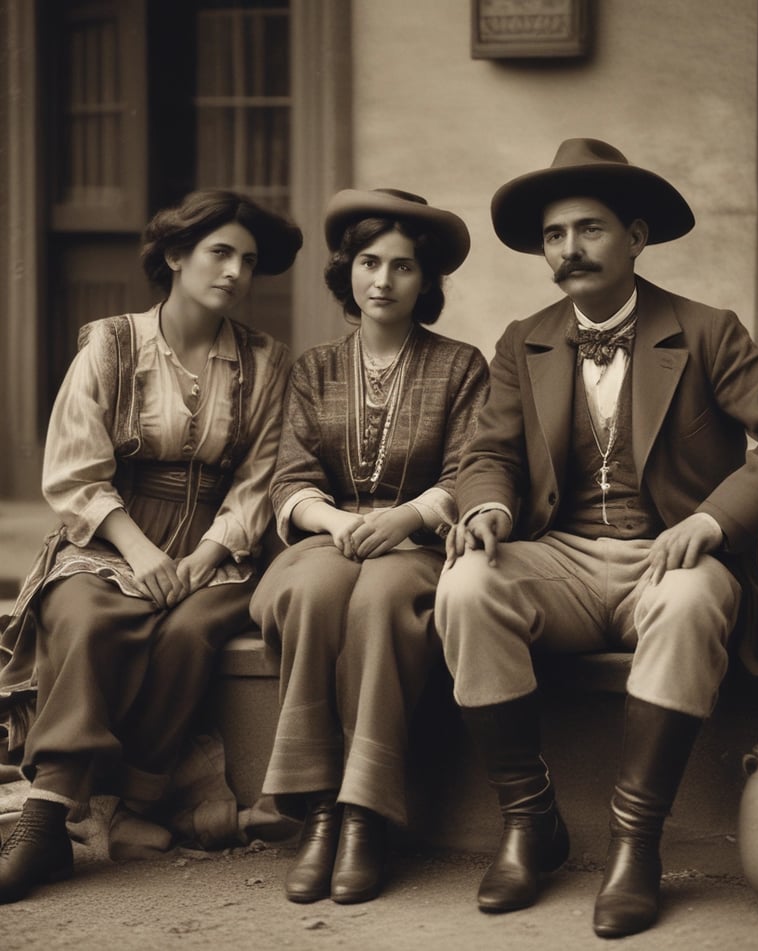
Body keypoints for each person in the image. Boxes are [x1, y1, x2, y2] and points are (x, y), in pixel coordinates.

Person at [435, 138, 758, 938]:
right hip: (565, 560)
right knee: (466, 584)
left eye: (589, 229)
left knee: (690, 601)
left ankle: (635, 844)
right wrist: (487, 509)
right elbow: (487, 453)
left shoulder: (707, 330)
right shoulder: (526, 338)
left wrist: (712, 518)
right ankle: (529, 821)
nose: (569, 250)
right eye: (555, 235)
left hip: (673, 557)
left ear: (637, 238)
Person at [0, 189, 302, 903]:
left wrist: (208, 554)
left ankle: (129, 803)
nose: (234, 271)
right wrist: (139, 550)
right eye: (219, 252)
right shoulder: (110, 342)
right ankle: (48, 817)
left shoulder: (264, 362)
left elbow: (264, 476)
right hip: (114, 529)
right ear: (174, 256)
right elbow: (74, 466)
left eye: (248, 260)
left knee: (191, 628)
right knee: (84, 614)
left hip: (218, 542)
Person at [249, 188, 489, 905]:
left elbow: (470, 468)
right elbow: (290, 474)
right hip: (330, 537)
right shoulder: (314, 368)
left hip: (415, 541)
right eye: (368, 262)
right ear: (346, 272)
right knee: (312, 591)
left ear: (427, 281)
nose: (382, 280)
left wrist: (409, 517)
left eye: (403, 267)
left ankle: (364, 814)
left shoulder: (461, 365)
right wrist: (332, 522)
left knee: (382, 601)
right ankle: (317, 806)